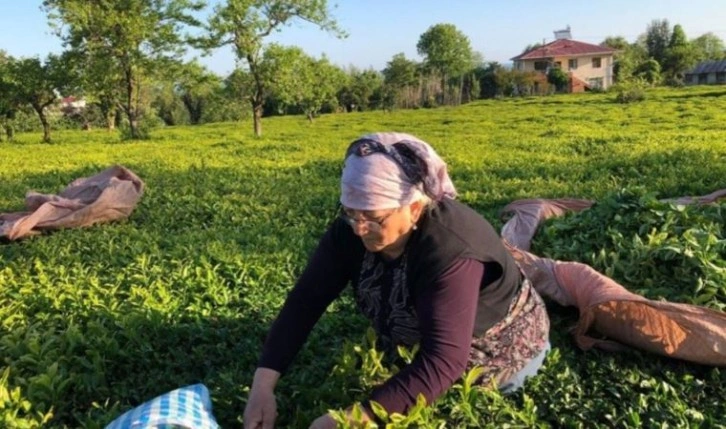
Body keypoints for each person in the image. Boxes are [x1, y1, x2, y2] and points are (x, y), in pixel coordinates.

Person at [243, 132, 550, 429]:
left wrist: (352, 421)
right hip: (421, 343)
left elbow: (444, 361)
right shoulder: (352, 228)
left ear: (414, 208)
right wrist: (262, 386)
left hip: (493, 350)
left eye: (374, 219)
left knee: (455, 400)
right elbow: (305, 302)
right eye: (351, 213)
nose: (359, 228)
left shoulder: (450, 249)